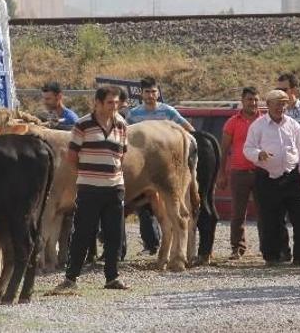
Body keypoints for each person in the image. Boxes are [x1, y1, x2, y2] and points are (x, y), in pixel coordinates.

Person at [53, 86, 130, 293]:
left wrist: (112, 174)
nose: (114, 107)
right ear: (97, 102)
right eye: (109, 103)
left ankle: (112, 277)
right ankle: (71, 278)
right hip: (89, 188)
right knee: (83, 233)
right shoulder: (83, 124)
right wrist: (87, 174)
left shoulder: (122, 124)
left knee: (114, 234)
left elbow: (122, 153)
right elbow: (72, 157)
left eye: (116, 103)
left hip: (115, 187)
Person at [244, 89, 300, 266]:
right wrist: (258, 154)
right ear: (268, 105)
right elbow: (248, 148)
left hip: (292, 177)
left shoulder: (293, 125)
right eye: (277, 104)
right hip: (267, 178)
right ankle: (273, 256)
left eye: (283, 104)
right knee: (270, 219)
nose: (280, 107)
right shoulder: (258, 126)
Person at [126, 77, 194, 255]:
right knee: (144, 211)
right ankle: (152, 245)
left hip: (165, 166)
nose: (150, 95)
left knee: (173, 206)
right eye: (147, 92)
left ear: (159, 93)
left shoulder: (169, 112)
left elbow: (188, 129)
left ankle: (180, 250)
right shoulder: (133, 114)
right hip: (141, 168)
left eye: (154, 92)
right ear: (141, 94)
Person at [217, 87, 262, 260]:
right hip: (239, 172)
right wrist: (221, 173)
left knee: (265, 212)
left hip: (262, 172)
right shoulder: (232, 122)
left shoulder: (265, 120)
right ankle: (237, 248)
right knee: (237, 213)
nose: (253, 103)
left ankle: (267, 248)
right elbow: (224, 149)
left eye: (256, 99)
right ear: (242, 100)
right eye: (250, 99)